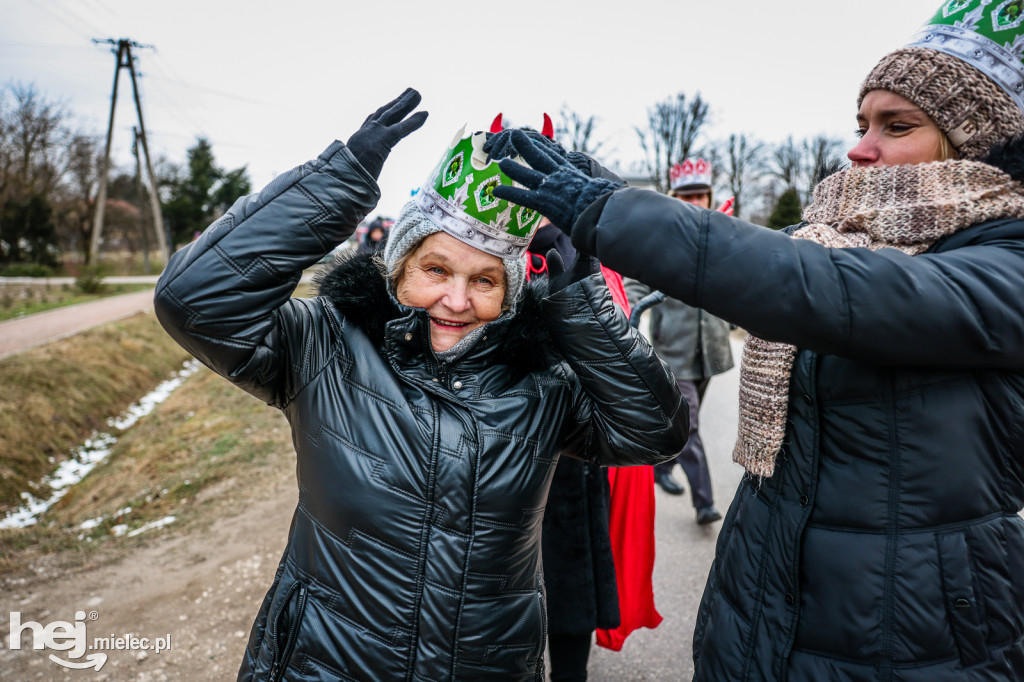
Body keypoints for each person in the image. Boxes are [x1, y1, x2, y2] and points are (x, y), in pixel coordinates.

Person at [491, 1, 1024, 677]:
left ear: (972, 142)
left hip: (913, 631)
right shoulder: (844, 234)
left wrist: (610, 210)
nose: (860, 147)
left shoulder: (1006, 259)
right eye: (860, 123)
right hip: (765, 601)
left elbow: (824, 287)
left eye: (897, 126)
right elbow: (769, 261)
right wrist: (603, 205)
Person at [153, 89, 687, 681]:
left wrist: (577, 298)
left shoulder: (544, 383)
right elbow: (193, 301)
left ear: (510, 291)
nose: (456, 301)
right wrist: (339, 181)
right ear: (399, 267)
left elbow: (655, 432)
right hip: (326, 665)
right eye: (435, 270)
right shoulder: (326, 345)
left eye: (485, 280)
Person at [623, 158, 733, 526]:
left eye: (701, 194)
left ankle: (663, 468)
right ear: (674, 197)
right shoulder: (660, 241)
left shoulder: (724, 236)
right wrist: (630, 314)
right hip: (673, 349)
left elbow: (740, 281)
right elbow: (633, 284)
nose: (695, 201)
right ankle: (704, 503)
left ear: (709, 197)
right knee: (690, 426)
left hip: (712, 349)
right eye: (687, 195)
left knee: (688, 418)